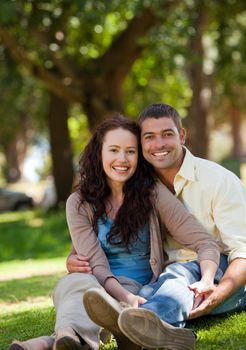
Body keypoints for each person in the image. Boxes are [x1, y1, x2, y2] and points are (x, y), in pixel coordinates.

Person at [9, 115, 220, 350]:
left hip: (136, 289)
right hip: (95, 284)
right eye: (114, 150)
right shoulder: (78, 203)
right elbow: (96, 264)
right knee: (77, 284)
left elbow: (204, 241)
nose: (122, 159)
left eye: (130, 151)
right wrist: (123, 298)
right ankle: (68, 336)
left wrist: (207, 278)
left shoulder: (152, 193)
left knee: (88, 301)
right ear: (99, 153)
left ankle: (51, 341)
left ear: (139, 156)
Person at [67, 104, 246, 349]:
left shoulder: (220, 180)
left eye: (167, 134)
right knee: (148, 295)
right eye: (149, 137)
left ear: (181, 136)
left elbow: (242, 252)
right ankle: (139, 328)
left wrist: (217, 289)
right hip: (163, 280)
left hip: (219, 271)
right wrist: (74, 256)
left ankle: (132, 328)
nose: (158, 144)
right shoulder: (140, 182)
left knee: (177, 278)